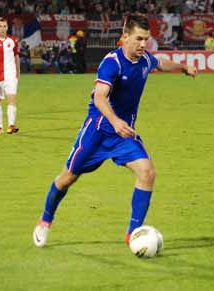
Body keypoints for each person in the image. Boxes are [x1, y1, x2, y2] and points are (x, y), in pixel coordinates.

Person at [32, 15, 198, 248]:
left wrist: (183, 68)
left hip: (123, 135)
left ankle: (133, 234)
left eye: (146, 39)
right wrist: (115, 121)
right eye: (138, 39)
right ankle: (45, 220)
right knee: (66, 178)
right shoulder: (112, 63)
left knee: (147, 172)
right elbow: (99, 97)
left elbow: (160, 63)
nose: (143, 44)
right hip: (97, 132)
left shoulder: (144, 60)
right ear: (125, 37)